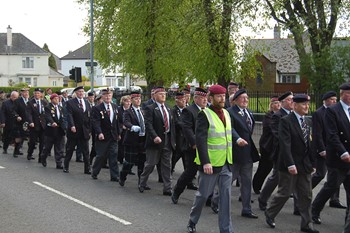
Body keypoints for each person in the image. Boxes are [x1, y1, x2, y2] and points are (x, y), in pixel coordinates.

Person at [265, 94, 319, 233]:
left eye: (308, 104)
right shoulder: (286, 121)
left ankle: (307, 224)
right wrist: (290, 164)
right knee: (284, 193)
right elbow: (285, 144)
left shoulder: (307, 122)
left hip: (304, 165)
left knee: (306, 195)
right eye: (303, 104)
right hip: (290, 164)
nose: (307, 107)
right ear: (295, 105)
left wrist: (313, 163)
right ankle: (270, 213)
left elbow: (310, 143)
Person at [186, 84, 233, 233]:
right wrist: (206, 161)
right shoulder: (204, 114)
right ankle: (192, 221)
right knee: (203, 195)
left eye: (224, 96)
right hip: (210, 164)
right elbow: (200, 139)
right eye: (219, 96)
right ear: (211, 98)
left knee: (225, 198)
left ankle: (226, 229)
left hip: (226, 163)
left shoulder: (226, 113)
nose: (222, 99)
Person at [312, 83, 350, 228]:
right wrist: (343, 152)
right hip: (337, 157)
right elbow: (332, 135)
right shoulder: (333, 111)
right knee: (331, 186)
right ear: (344, 94)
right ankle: (314, 210)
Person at [258, 91, 294, 211]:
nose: (292, 102)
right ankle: (263, 198)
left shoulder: (294, 114)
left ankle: (299, 207)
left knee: (297, 178)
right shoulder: (277, 116)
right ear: (282, 102)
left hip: (295, 152)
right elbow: (278, 135)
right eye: (289, 100)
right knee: (276, 177)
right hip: (281, 152)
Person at [227, 88, 260, 219]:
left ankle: (246, 209)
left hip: (247, 154)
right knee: (229, 179)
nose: (246, 100)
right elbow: (230, 128)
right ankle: (215, 200)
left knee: (247, 182)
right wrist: (237, 139)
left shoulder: (249, 112)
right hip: (236, 153)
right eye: (242, 98)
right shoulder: (230, 112)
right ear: (235, 101)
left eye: (247, 98)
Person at [171, 87, 208, 204]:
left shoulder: (207, 110)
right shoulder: (189, 110)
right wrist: (194, 143)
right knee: (191, 171)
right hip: (193, 147)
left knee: (207, 172)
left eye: (206, 98)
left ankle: (208, 198)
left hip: (206, 146)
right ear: (195, 98)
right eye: (202, 98)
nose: (204, 100)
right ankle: (177, 191)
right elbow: (186, 128)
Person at [138, 86, 175, 196]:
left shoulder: (168, 108)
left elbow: (172, 126)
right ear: (154, 96)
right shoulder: (150, 108)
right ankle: (142, 182)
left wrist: (173, 140)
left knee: (166, 165)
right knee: (151, 164)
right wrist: (154, 136)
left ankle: (167, 188)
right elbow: (148, 124)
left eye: (164, 94)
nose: (163, 96)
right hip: (155, 141)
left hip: (167, 140)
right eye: (160, 94)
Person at [252, 95, 280, 194]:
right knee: (264, 168)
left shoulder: (281, 115)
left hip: (276, 146)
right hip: (267, 146)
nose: (278, 105)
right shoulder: (269, 116)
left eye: (279, 103)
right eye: (276, 103)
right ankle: (256, 185)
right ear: (271, 105)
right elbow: (272, 128)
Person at [91, 89, 120, 181]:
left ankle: (115, 176)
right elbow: (96, 122)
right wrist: (99, 132)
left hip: (113, 136)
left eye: (109, 95)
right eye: (106, 95)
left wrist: (119, 133)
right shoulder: (97, 108)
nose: (108, 97)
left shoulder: (115, 107)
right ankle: (95, 172)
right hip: (103, 136)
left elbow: (118, 122)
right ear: (102, 97)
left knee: (113, 155)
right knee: (101, 156)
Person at [119, 91, 146, 186]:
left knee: (142, 163)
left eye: (139, 99)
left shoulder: (143, 111)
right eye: (136, 99)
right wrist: (132, 127)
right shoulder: (128, 112)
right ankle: (122, 176)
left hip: (142, 140)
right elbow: (126, 122)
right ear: (131, 100)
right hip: (132, 140)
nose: (138, 100)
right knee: (129, 162)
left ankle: (141, 183)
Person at [63, 86, 92, 174]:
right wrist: (72, 125)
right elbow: (69, 115)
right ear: (75, 93)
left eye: (82, 91)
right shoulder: (70, 103)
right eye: (79, 91)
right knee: (70, 149)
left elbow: (89, 116)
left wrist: (89, 128)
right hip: (74, 130)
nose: (81, 93)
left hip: (84, 130)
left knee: (86, 151)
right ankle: (66, 166)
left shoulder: (86, 102)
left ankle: (87, 169)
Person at [41, 94, 66, 169]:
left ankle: (59, 163)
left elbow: (63, 118)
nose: (57, 100)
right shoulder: (48, 107)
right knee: (48, 147)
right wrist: (52, 122)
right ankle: (43, 157)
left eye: (58, 99)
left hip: (59, 130)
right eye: (55, 99)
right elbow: (47, 116)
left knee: (59, 148)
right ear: (51, 99)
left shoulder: (60, 108)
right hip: (51, 130)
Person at [26, 88, 47, 162]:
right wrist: (31, 122)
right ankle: (29, 154)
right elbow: (29, 114)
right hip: (34, 125)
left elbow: (46, 113)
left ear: (41, 94)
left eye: (38, 93)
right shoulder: (30, 103)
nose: (37, 95)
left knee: (42, 142)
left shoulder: (44, 102)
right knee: (33, 142)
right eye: (35, 93)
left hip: (43, 126)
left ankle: (41, 157)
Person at [171, 92, 188, 174]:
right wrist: (187, 125)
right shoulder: (173, 111)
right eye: (182, 100)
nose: (184, 101)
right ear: (177, 101)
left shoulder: (188, 110)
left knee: (187, 163)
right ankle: (166, 176)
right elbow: (177, 123)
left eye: (184, 99)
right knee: (173, 160)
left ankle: (189, 182)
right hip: (178, 140)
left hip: (187, 141)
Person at [1, 91, 20, 155]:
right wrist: (3, 122)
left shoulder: (19, 103)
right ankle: (5, 148)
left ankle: (16, 151)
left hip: (17, 123)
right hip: (8, 122)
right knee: (7, 137)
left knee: (18, 137)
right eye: (14, 97)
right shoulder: (5, 103)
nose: (15, 99)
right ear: (11, 96)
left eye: (16, 97)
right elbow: (2, 113)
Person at [13, 88, 30, 156]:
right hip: (20, 122)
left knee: (24, 136)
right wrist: (17, 116)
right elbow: (14, 110)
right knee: (19, 136)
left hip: (28, 121)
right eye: (25, 92)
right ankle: (16, 150)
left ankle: (22, 149)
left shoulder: (30, 101)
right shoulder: (17, 101)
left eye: (27, 92)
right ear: (22, 93)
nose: (26, 94)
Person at [117, 95, 131, 164]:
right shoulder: (119, 110)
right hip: (121, 130)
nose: (128, 103)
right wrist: (121, 126)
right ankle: (120, 158)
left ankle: (126, 158)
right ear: (123, 102)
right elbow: (116, 120)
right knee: (121, 145)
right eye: (127, 101)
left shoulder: (131, 110)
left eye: (129, 101)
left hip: (129, 130)